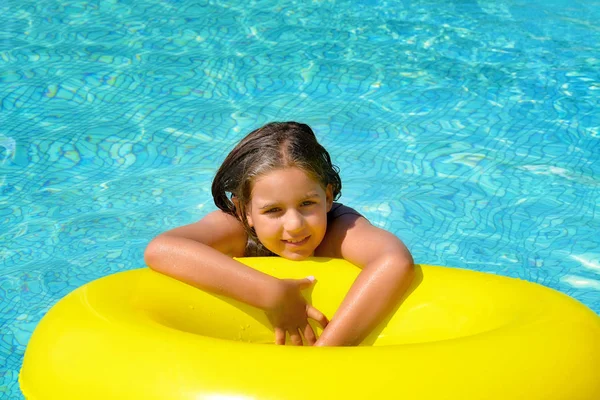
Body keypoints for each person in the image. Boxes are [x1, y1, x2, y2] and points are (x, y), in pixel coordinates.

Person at [144, 121, 414, 346]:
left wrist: (326, 354)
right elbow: (162, 249)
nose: (295, 224)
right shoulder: (237, 230)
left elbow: (393, 261)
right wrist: (271, 293)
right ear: (244, 210)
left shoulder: (341, 229)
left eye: (307, 204)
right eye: (273, 210)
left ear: (328, 197)